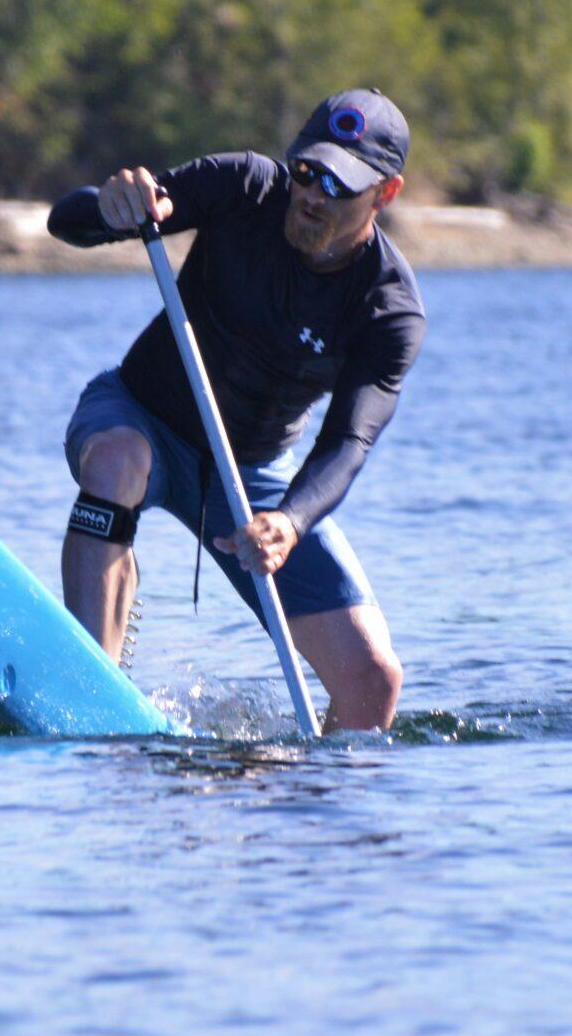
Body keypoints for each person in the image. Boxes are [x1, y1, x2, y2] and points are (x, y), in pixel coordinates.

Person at [47, 89, 426, 732]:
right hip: (138, 413)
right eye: (306, 170)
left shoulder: (386, 309)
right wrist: (112, 204)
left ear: (384, 195)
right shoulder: (243, 187)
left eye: (341, 184)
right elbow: (68, 220)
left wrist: (291, 521)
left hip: (252, 475)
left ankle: (299, 810)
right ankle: (94, 697)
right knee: (117, 462)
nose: (312, 193)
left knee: (373, 680)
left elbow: (348, 442)